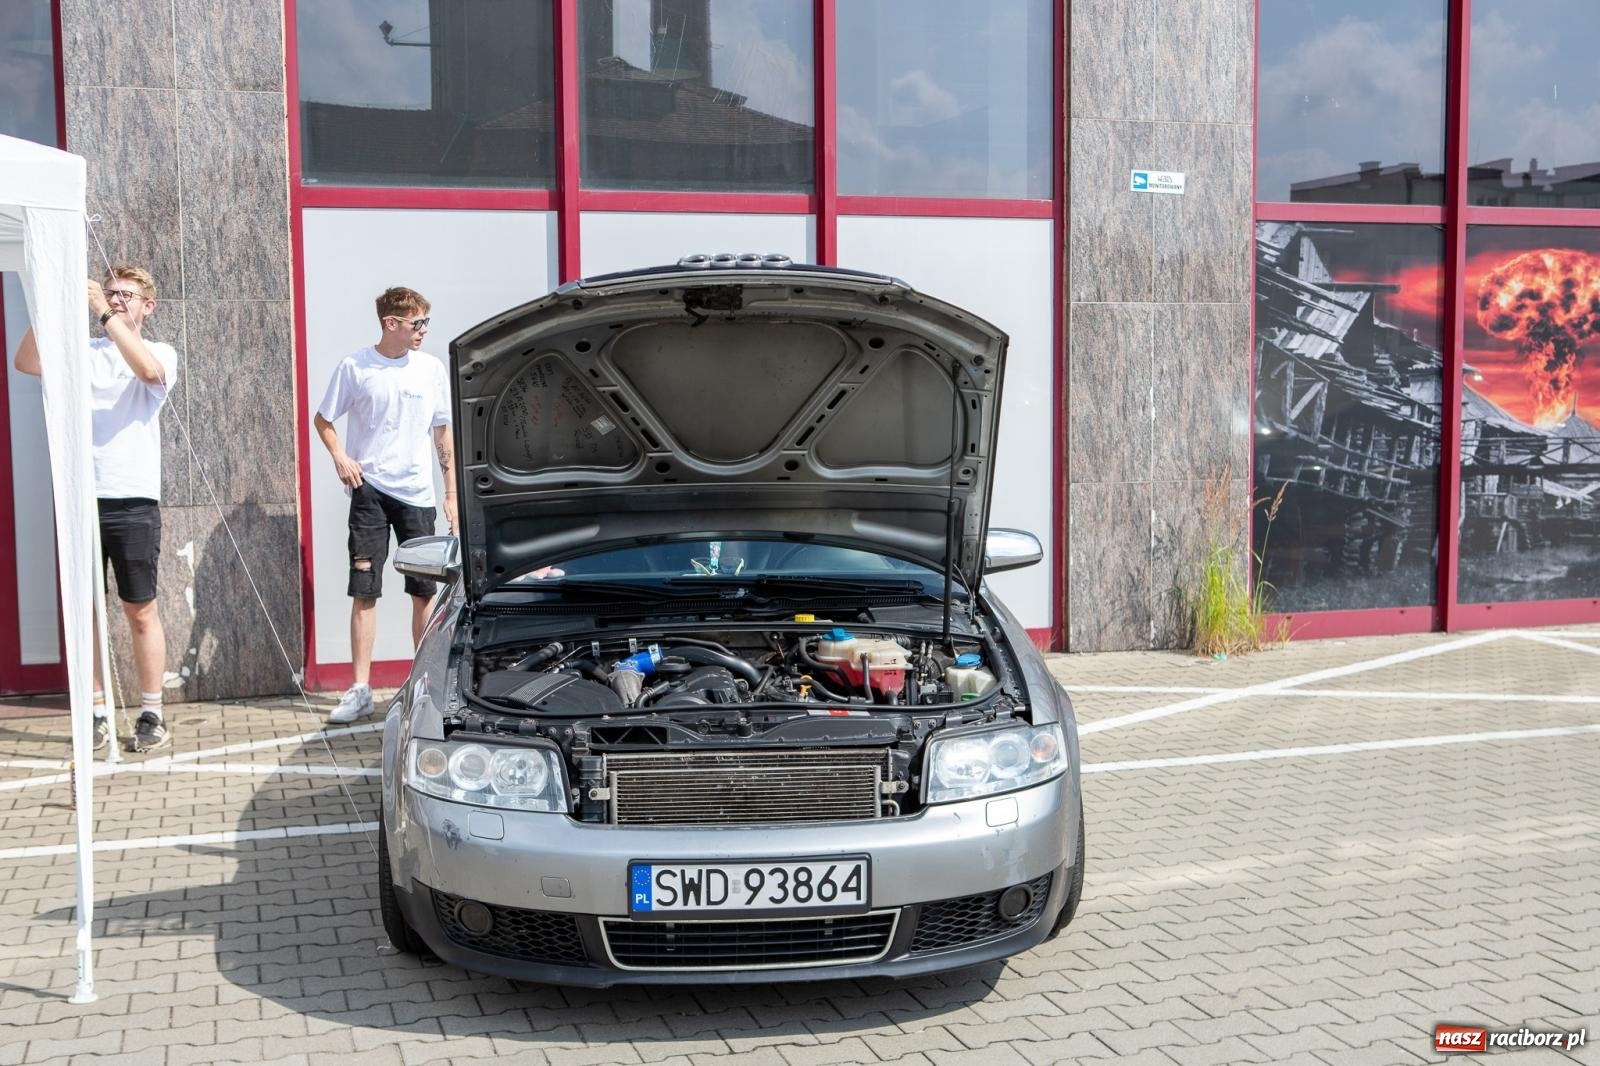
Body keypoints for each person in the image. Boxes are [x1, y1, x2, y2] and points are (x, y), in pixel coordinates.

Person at [14, 267, 178, 752]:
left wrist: (105, 314)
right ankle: (97, 710)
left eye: (126, 295)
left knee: (140, 609)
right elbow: (26, 361)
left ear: (148, 306)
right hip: (80, 496)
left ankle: (151, 712)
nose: (114, 299)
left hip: (132, 497)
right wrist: (48, 302)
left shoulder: (160, 352)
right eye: (109, 293)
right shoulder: (83, 351)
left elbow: (147, 372)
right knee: (84, 611)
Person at [315, 287, 455, 724]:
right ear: (391, 323)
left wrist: (450, 494)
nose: (423, 332)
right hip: (370, 491)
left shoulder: (430, 369)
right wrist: (340, 456)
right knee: (365, 589)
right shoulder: (356, 366)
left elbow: (442, 434)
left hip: (418, 495)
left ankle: (426, 686)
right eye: (417, 324)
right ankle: (360, 690)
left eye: (426, 323)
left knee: (424, 593)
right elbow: (324, 419)